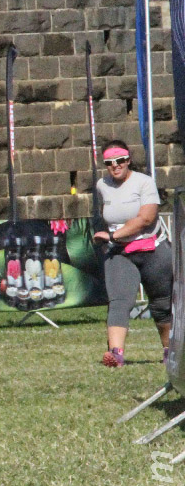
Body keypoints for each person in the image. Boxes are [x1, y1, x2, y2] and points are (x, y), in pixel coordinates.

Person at [92, 140, 171, 367]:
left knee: (162, 305)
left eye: (120, 160)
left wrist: (115, 236)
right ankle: (116, 354)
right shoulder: (101, 186)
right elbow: (102, 214)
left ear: (128, 160)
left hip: (152, 249)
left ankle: (170, 352)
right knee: (119, 302)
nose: (115, 166)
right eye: (109, 162)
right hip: (119, 252)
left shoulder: (144, 182)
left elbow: (146, 219)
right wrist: (105, 235)